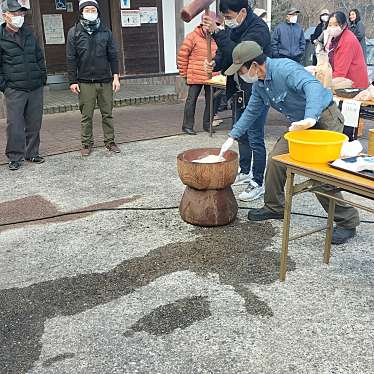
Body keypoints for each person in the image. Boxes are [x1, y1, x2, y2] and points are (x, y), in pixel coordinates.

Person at [220, 41, 360, 245]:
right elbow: (251, 112)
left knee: (320, 176)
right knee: (277, 159)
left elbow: (311, 86)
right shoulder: (260, 84)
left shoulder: (285, 69)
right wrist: (232, 136)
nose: (240, 75)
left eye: (240, 70)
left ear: (253, 66)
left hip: (323, 119)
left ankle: (347, 221)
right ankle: (274, 207)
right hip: (300, 125)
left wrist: (311, 117)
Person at [203, 0, 271, 202]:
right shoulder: (234, 27)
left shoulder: (259, 30)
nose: (227, 21)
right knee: (241, 133)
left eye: (230, 17)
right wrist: (215, 63)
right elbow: (226, 54)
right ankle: (245, 169)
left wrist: (217, 32)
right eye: (225, 18)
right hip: (239, 88)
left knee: (255, 136)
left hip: (257, 88)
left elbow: (239, 54)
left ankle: (258, 181)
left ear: (243, 11)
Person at [66, 0, 121, 157]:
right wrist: (72, 81)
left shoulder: (105, 31)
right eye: (87, 10)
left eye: (93, 9)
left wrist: (115, 77)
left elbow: (113, 55)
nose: (90, 12)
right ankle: (86, 143)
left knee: (107, 113)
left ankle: (110, 142)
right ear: (82, 12)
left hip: (105, 80)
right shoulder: (74, 32)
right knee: (86, 115)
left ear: (97, 11)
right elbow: (71, 58)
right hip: (84, 81)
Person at [0, 0, 47, 171]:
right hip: (14, 89)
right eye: (15, 14)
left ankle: (32, 153)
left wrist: (42, 77)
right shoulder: (1, 36)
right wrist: (4, 86)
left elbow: (39, 56)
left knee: (34, 122)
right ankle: (14, 156)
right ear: (5, 15)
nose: (19, 17)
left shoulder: (29, 33)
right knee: (15, 124)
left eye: (21, 14)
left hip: (35, 86)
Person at [177, 12, 219, 135]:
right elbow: (182, 56)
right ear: (202, 24)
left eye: (213, 24)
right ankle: (187, 126)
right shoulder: (192, 37)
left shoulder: (216, 38)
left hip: (211, 75)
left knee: (211, 101)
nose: (210, 27)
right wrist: (184, 74)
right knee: (191, 101)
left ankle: (207, 124)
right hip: (195, 74)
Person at [324, 11, 368, 89]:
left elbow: (340, 73)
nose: (332, 27)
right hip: (345, 83)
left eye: (336, 24)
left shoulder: (347, 40)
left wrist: (323, 84)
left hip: (354, 86)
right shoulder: (335, 38)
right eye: (330, 25)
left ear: (344, 25)